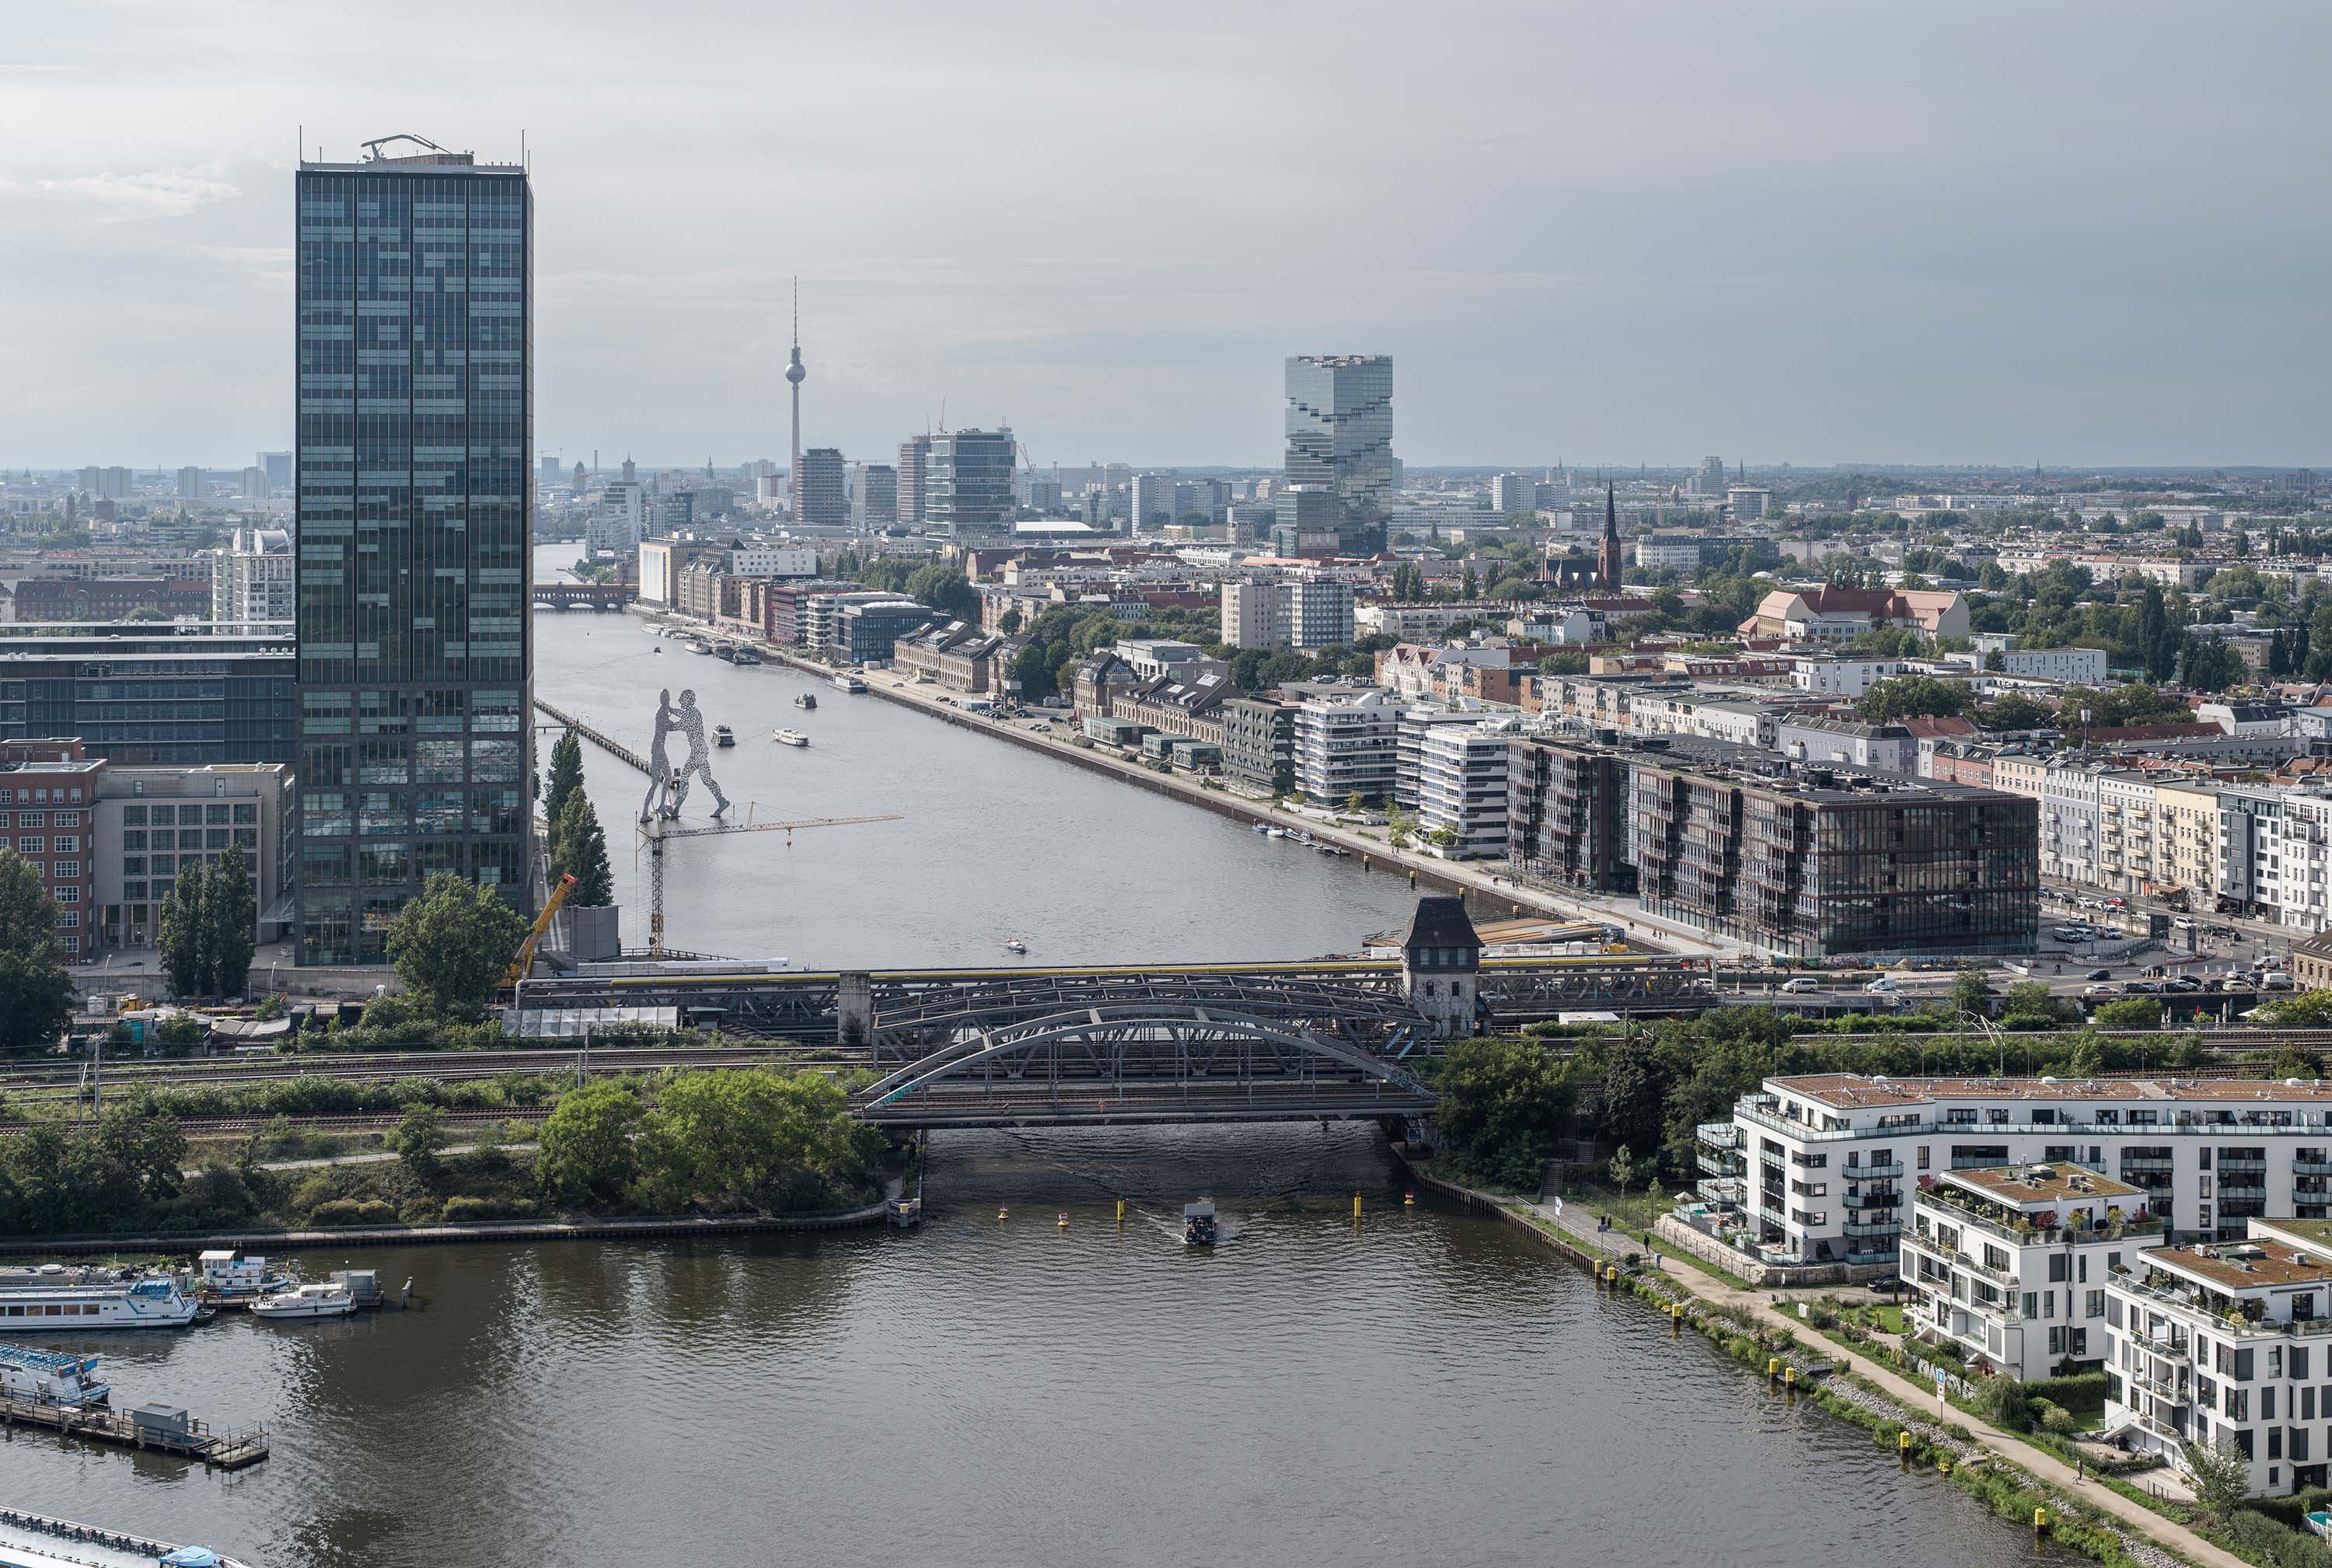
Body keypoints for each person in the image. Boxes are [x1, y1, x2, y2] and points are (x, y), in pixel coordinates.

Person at [640, 689, 676, 822]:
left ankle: (656, 808)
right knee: (661, 779)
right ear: (664, 700)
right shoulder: (662, 712)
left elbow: (669, 719)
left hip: (657, 748)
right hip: (658, 749)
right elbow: (669, 726)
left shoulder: (663, 710)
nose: (669, 700)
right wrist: (684, 725)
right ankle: (656, 809)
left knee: (661, 779)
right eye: (667, 698)